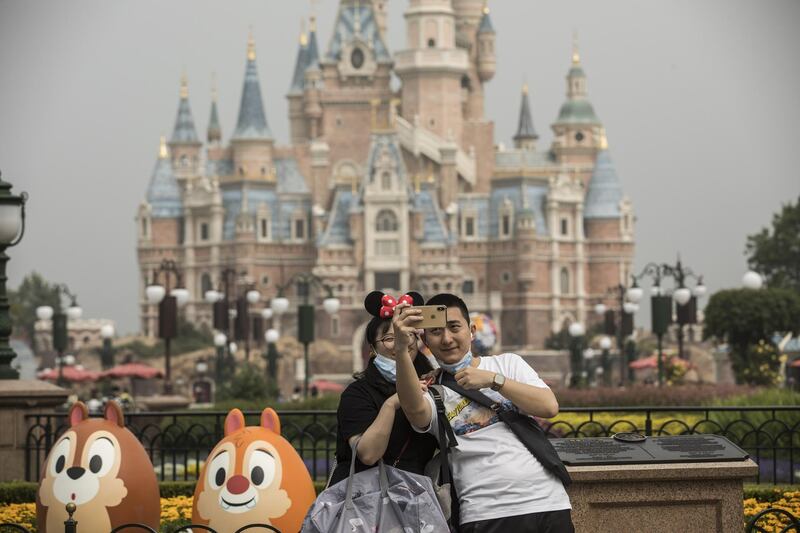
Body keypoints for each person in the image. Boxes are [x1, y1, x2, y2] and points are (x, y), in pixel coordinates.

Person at [393, 293, 574, 532]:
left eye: (454, 327)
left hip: (547, 501)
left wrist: (493, 380)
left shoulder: (507, 364)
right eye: (436, 332)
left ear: (472, 331)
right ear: (425, 340)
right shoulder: (431, 389)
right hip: (485, 510)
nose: (447, 339)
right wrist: (401, 349)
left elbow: (548, 406)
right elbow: (415, 410)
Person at [328, 291, 437, 486]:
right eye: (389, 338)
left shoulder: (432, 386)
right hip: (365, 503)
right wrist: (392, 403)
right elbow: (368, 454)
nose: (401, 343)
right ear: (372, 348)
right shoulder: (357, 394)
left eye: (407, 335)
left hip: (417, 501)